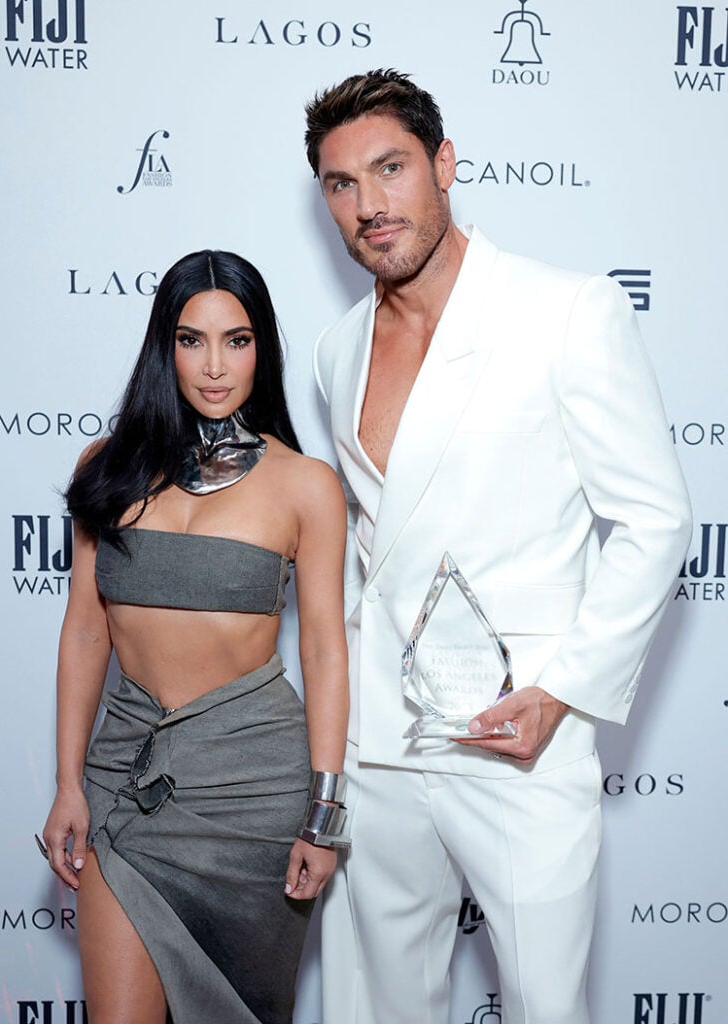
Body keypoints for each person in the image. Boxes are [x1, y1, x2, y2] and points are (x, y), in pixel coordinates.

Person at [304, 69, 692, 1024]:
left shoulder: (562, 310)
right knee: (377, 1009)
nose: (368, 206)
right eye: (340, 185)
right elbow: (370, 545)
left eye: (389, 169)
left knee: (545, 1009)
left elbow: (653, 518)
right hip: (380, 750)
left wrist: (562, 692)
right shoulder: (336, 348)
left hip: (516, 742)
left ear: (442, 164)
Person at [40, 250, 349, 1024]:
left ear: (262, 349)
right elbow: (85, 631)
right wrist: (69, 782)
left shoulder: (305, 485)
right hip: (127, 784)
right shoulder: (105, 467)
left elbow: (322, 651)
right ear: (163, 347)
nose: (214, 366)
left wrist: (323, 812)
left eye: (236, 341)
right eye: (191, 340)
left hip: (254, 792)